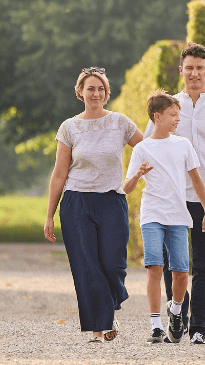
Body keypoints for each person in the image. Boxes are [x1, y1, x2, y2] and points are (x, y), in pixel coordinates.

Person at [143, 43, 205, 345]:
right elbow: (149, 146)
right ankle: (177, 317)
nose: (194, 72)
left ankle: (198, 327)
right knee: (175, 264)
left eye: (200, 67)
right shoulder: (168, 105)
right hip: (173, 198)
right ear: (181, 70)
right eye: (189, 67)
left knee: (203, 265)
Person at [44, 67, 144, 343]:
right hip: (77, 203)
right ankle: (99, 328)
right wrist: (50, 215)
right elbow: (59, 174)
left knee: (112, 264)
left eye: (100, 88)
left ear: (106, 93)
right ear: (80, 92)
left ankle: (109, 306)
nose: (96, 93)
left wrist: (138, 173)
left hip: (112, 200)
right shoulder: (69, 127)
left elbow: (146, 148)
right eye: (90, 88)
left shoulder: (120, 123)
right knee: (87, 265)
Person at [123, 90, 205, 344]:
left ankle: (175, 310)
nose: (178, 119)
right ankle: (155, 325)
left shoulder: (183, 145)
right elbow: (127, 188)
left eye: (179, 115)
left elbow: (196, 180)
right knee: (154, 267)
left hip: (178, 216)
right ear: (157, 116)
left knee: (180, 273)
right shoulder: (142, 148)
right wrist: (137, 174)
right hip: (152, 214)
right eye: (173, 115)